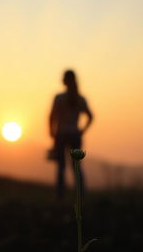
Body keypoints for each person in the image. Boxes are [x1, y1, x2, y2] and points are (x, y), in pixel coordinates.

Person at [49, 70, 93, 198]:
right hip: (75, 135)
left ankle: (60, 196)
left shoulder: (59, 98)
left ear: (64, 81)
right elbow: (90, 116)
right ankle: (81, 195)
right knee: (76, 167)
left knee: (61, 167)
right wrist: (82, 130)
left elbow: (51, 116)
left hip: (61, 135)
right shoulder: (80, 99)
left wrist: (51, 131)